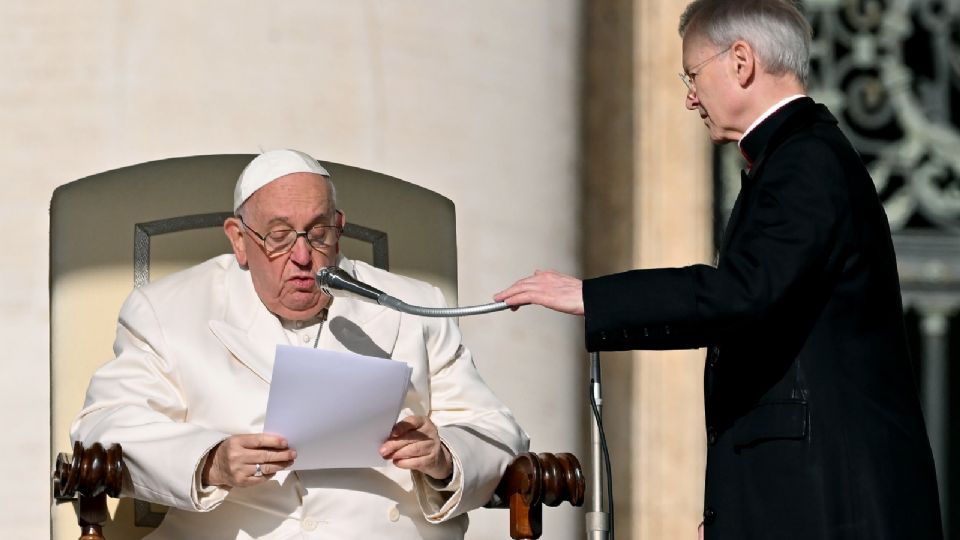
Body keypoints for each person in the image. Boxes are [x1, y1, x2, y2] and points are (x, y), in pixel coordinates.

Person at [495, 1, 943, 538]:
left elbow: (742, 294)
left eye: (692, 74)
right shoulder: (795, 158)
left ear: (740, 61)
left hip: (829, 506)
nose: (688, 97)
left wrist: (593, 296)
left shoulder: (806, 162)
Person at [72, 149, 528, 539]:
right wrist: (210, 461)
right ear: (239, 239)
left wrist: (444, 457)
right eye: (278, 236)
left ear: (339, 228)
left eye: (317, 232)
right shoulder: (168, 310)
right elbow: (103, 427)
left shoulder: (415, 306)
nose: (304, 255)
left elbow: (495, 429)